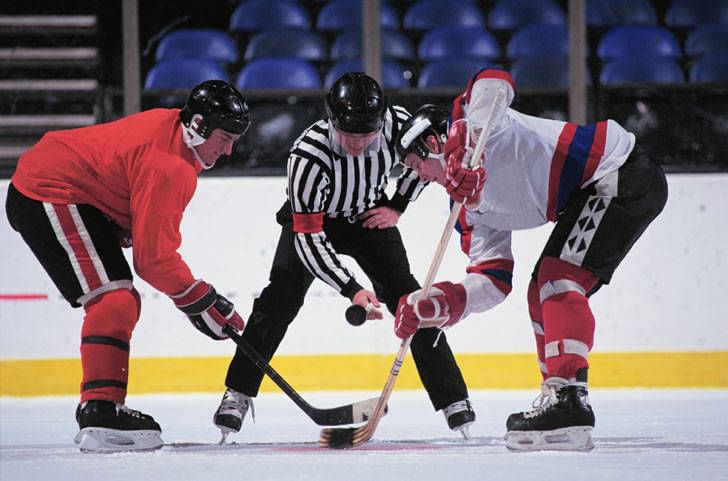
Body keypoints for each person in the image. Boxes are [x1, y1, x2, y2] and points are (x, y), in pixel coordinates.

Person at [393, 69, 668, 451]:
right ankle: (560, 399)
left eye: (413, 163)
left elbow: (495, 79)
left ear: (432, 142)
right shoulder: (466, 209)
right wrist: (440, 302)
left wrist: (462, 148)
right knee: (541, 289)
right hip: (595, 191)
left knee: (558, 279)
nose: (417, 175)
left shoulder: (473, 121)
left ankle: (569, 397)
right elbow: (492, 279)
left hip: (617, 170)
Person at [214, 72, 475, 441]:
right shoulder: (308, 155)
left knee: (411, 298)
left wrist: (397, 204)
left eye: (365, 137)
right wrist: (351, 289)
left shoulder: (398, 125)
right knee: (279, 300)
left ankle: (453, 400)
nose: (356, 145)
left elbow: (426, 161)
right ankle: (237, 393)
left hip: (368, 216)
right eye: (348, 136)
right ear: (331, 121)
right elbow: (309, 241)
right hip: (315, 222)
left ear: (381, 122)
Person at [5, 80, 250, 452]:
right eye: (225, 138)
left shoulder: (175, 128)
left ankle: (103, 406)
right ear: (198, 125)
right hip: (48, 189)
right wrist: (202, 301)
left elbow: (121, 170)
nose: (229, 151)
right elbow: (153, 261)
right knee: (114, 300)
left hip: (62, 183)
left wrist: (117, 216)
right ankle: (100, 412)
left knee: (119, 297)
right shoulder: (171, 167)